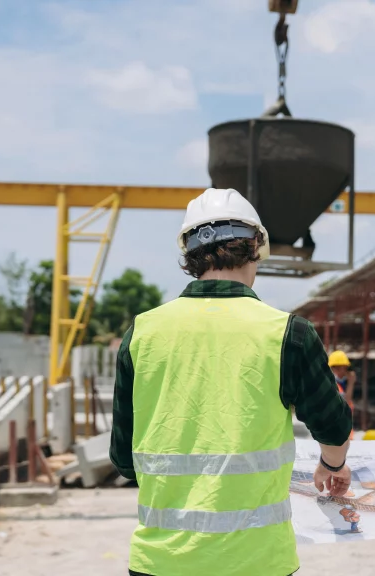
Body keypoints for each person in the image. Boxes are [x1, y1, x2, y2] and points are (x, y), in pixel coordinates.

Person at [109, 188, 354, 576]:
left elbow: (124, 459)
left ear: (189, 256)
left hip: (160, 562)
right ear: (257, 247)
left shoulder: (142, 332)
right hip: (258, 561)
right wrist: (332, 464)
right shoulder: (288, 333)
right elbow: (333, 424)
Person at [328, 350, 356, 439]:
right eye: (341, 368)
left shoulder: (340, 384)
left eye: (345, 368)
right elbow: (346, 403)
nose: (344, 371)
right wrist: (351, 382)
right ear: (333, 369)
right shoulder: (332, 385)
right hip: (337, 434)